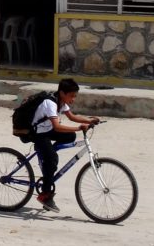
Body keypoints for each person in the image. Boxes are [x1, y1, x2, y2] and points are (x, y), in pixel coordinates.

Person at [31, 78, 100, 212]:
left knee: (70, 136)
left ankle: (48, 152)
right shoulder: (50, 103)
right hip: (38, 134)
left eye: (75, 96)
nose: (73, 99)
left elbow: (72, 117)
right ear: (62, 93)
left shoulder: (61, 101)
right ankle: (45, 195)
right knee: (52, 160)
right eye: (72, 96)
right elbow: (57, 127)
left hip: (47, 130)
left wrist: (90, 120)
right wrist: (79, 128)